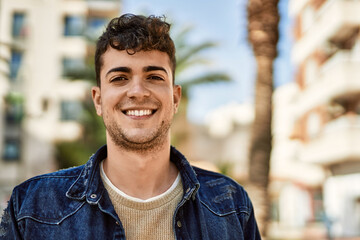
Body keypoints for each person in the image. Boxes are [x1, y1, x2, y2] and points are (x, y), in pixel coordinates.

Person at [0, 14, 261, 239]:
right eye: (120, 78)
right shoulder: (32, 207)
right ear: (98, 100)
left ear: (175, 97)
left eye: (154, 77)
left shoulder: (231, 205)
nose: (137, 91)